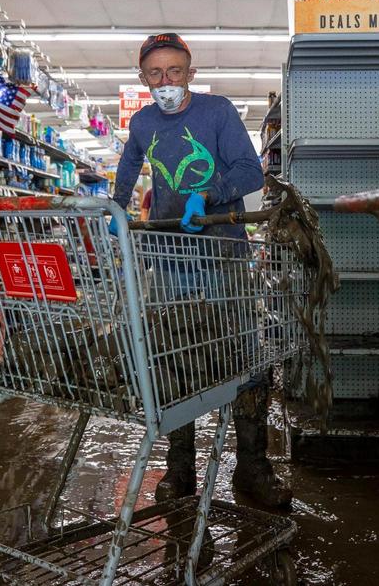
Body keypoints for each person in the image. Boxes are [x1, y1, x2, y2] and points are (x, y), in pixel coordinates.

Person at [111, 32, 291, 509]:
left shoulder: (218, 112)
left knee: (241, 355)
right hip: (168, 256)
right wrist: (110, 210)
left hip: (220, 255)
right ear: (143, 77)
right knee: (175, 355)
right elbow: (129, 167)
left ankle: (252, 469)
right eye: (155, 73)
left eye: (174, 72)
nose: (165, 81)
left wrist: (208, 195)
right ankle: (180, 471)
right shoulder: (143, 121)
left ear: (190, 73)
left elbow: (250, 172)